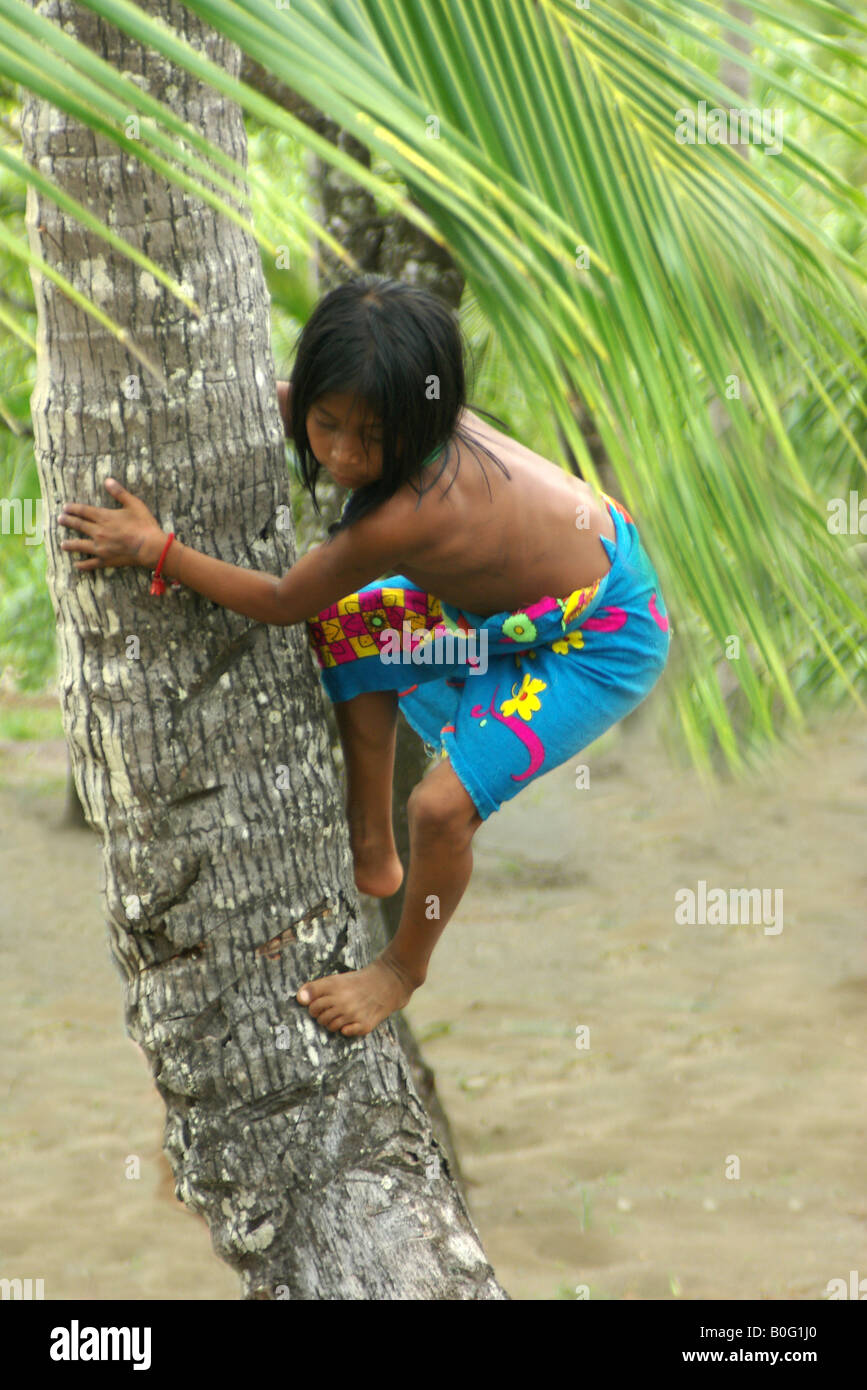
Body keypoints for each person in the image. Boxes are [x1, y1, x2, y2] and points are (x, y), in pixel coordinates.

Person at [57, 276, 671, 1038]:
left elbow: (283, 600)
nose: (345, 454)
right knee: (353, 628)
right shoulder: (381, 413)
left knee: (441, 810)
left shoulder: (411, 513)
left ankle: (401, 969)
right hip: (508, 606)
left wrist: (156, 549)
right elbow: (272, 406)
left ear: (424, 417)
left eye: (373, 436)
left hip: (601, 635)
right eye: (326, 423)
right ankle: (371, 843)